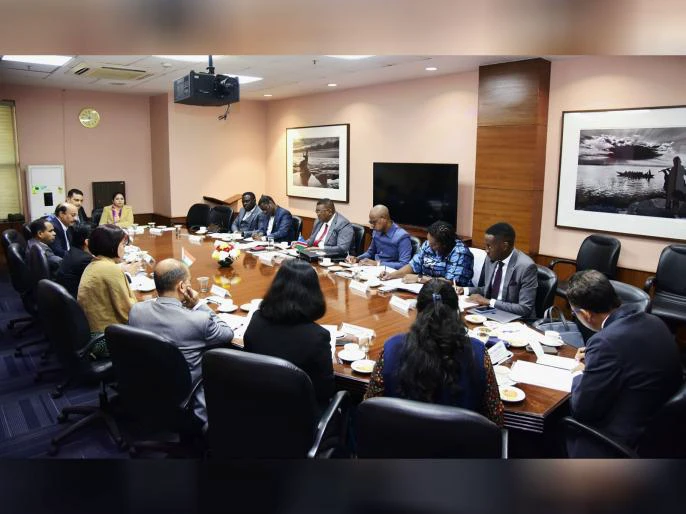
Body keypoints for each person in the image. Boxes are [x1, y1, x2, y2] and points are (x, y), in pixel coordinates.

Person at [566, 270, 682, 457]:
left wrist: (580, 372)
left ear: (586, 314)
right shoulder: (655, 322)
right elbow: (631, 355)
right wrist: (596, 358)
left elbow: (581, 409)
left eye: (574, 312)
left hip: (619, 442)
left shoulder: (606, 342)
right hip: (662, 430)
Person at [364, 279, 504, 426]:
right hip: (459, 440)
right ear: (457, 312)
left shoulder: (392, 348)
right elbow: (495, 418)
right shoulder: (478, 353)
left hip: (398, 438)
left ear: (418, 310)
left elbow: (370, 406)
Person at [128, 258, 234, 430]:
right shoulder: (198, 320)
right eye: (189, 281)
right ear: (182, 287)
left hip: (147, 384)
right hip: (186, 391)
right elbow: (227, 333)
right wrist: (199, 305)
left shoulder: (136, 310)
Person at [243, 258, 334, 409]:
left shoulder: (257, 319)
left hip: (255, 406)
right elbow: (326, 391)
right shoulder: (318, 337)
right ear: (313, 293)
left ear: (276, 287)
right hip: (299, 416)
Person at [78, 224, 137, 358]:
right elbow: (128, 312)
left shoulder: (94, 264)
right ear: (112, 246)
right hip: (104, 339)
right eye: (123, 245)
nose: (125, 249)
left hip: (91, 334)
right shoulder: (111, 269)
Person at [457, 222, 538, 318]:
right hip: (491, 312)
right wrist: (465, 290)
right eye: (486, 246)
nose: (486, 250)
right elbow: (488, 289)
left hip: (515, 318)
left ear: (505, 246)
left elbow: (525, 308)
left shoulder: (526, 267)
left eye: (489, 246)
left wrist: (489, 302)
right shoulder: (491, 258)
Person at [380, 220, 473, 285]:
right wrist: (392, 275)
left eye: (433, 244)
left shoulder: (460, 252)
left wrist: (419, 278)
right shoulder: (428, 244)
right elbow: (413, 265)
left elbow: (450, 282)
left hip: (452, 295)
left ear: (444, 244)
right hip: (426, 289)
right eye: (429, 241)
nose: (429, 246)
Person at [347, 204, 412, 269]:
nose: (372, 226)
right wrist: (357, 259)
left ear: (384, 218)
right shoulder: (377, 231)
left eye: (374, 222)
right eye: (371, 222)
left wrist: (377, 264)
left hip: (390, 271)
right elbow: (370, 253)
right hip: (374, 269)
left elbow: (404, 265)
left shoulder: (402, 236)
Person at [55, 223, 93, 298]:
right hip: (76, 299)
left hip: (63, 297)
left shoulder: (72, 251)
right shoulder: (85, 259)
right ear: (87, 242)